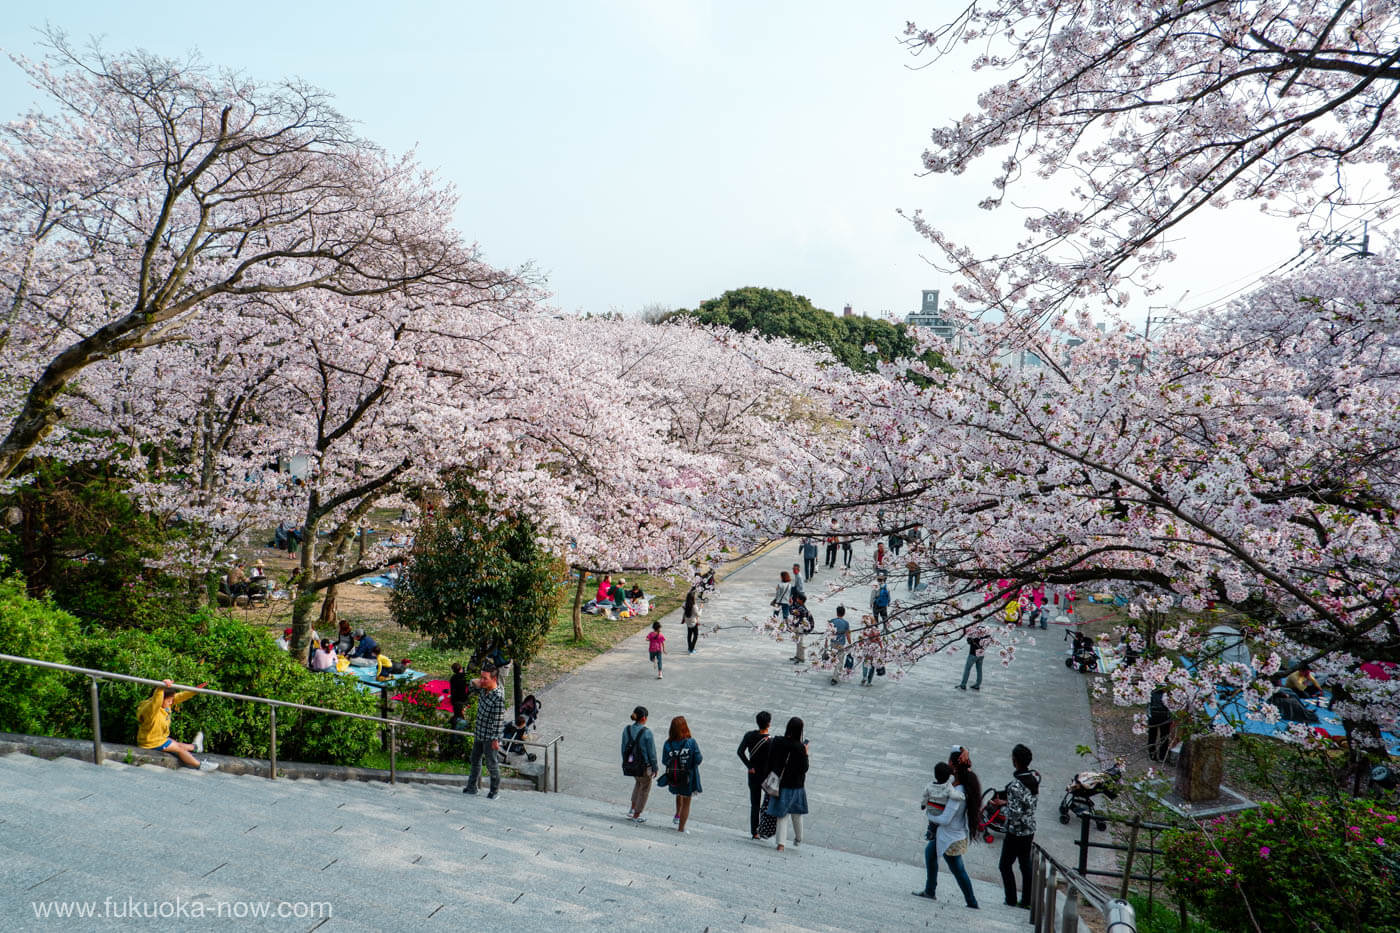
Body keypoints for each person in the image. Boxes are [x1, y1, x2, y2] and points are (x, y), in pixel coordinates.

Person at [914, 759, 981, 908]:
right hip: (949, 835)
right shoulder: (957, 788)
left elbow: (945, 819)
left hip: (950, 838)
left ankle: (971, 902)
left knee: (958, 870)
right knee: (930, 854)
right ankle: (930, 891)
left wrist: (929, 816)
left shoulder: (957, 794)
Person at [990, 744, 1040, 908]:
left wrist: (1001, 805)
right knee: (1025, 865)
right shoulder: (1033, 779)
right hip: (1029, 829)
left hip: (1015, 831)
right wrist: (1007, 801)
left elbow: (1015, 812)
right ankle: (1027, 900)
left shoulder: (1015, 785)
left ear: (1015, 761)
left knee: (1004, 865)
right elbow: (1025, 803)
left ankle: (1010, 899)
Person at [136, 679, 218, 771]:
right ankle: (199, 765)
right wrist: (160, 689)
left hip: (158, 738)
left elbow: (179, 696)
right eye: (169, 701)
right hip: (151, 742)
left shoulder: (165, 705)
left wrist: (195, 690)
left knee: (176, 743)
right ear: (161, 698)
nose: (171, 702)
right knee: (179, 749)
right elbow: (156, 701)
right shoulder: (151, 710)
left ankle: (195, 747)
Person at [764, 716, 810, 852]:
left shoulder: (777, 741)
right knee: (797, 814)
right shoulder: (801, 748)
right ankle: (798, 839)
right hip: (796, 786)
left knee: (781, 815)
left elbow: (770, 759)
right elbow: (804, 769)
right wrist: (806, 754)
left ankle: (781, 844)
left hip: (781, 784)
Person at [463, 664, 504, 798]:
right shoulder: (483, 689)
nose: (481, 680)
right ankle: (471, 787)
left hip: (490, 737)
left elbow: (498, 721)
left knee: (492, 765)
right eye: (481, 677)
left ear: (494, 679)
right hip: (479, 732)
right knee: (475, 760)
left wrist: (495, 740)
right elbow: (471, 687)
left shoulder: (498, 697)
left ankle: (494, 791)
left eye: (485, 678)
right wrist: (478, 681)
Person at [659, 716, 702, 833]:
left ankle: (677, 814)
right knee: (687, 801)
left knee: (679, 793)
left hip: (674, 776)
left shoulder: (668, 744)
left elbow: (664, 761)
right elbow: (698, 759)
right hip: (689, 776)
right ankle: (681, 828)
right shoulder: (691, 742)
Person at [736, 711, 774, 839]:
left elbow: (740, 752)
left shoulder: (749, 736)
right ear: (769, 723)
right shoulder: (771, 741)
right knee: (770, 801)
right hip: (767, 776)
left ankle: (755, 832)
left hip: (753, 775)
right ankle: (767, 828)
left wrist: (749, 766)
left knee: (755, 803)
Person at [621, 706, 658, 822]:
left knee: (638, 783)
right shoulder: (647, 733)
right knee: (644, 788)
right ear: (644, 718)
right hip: (643, 766)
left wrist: (627, 762)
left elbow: (623, 748)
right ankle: (637, 814)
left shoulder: (626, 730)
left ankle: (632, 809)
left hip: (631, 765)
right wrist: (655, 767)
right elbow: (652, 753)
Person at [957, 625, 989, 690]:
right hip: (981, 654)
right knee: (979, 670)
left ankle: (963, 684)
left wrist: (969, 636)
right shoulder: (986, 636)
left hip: (973, 654)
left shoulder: (974, 635)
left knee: (967, 669)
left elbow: (969, 641)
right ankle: (977, 685)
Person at [827, 605, 852, 685]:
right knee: (840, 660)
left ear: (836, 612)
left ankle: (837, 673)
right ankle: (835, 677)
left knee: (834, 658)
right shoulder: (846, 623)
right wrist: (850, 643)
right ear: (844, 613)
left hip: (833, 643)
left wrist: (826, 642)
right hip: (841, 643)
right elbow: (848, 634)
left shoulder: (832, 621)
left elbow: (828, 633)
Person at [1147, 686, 1172, 761]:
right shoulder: (1168, 693)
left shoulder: (1151, 692)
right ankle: (1162, 756)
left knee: (1152, 736)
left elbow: (1148, 705)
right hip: (1165, 717)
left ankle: (1152, 755)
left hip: (1153, 716)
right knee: (1164, 737)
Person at [789, 594, 815, 663]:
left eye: (798, 598)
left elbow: (792, 612)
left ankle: (801, 658)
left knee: (800, 642)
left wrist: (791, 604)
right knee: (798, 642)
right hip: (799, 626)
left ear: (801, 600)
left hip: (800, 627)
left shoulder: (801, 608)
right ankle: (798, 656)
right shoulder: (801, 606)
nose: (797, 599)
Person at [858, 620, 883, 686]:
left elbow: (861, 640)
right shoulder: (877, 631)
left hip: (866, 649)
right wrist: (881, 648)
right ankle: (869, 682)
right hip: (874, 650)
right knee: (872, 665)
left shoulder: (865, 631)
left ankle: (864, 677)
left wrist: (860, 645)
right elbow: (879, 640)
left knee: (865, 663)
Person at [683, 586, 701, 654]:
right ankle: (691, 648)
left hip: (688, 621)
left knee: (689, 635)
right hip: (693, 622)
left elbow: (683, 606)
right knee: (695, 635)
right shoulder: (694, 606)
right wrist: (701, 608)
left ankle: (689, 647)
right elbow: (698, 614)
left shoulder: (686, 604)